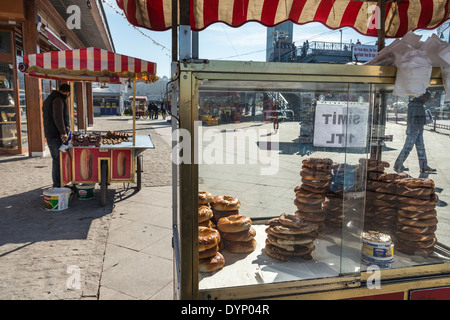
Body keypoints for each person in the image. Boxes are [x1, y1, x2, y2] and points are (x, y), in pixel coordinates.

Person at [394, 91, 436, 174]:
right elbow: (414, 118)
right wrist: (418, 127)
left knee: (420, 148)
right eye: (427, 97)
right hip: (414, 129)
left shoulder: (418, 103)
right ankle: (398, 164)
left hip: (417, 129)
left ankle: (424, 166)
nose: (427, 100)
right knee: (408, 148)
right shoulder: (415, 104)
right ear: (423, 97)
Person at [42, 84, 71, 188]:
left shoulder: (50, 98)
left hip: (51, 134)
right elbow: (58, 117)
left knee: (57, 160)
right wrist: (63, 132)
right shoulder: (58, 99)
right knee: (58, 161)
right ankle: (58, 185)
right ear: (67, 92)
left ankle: (59, 183)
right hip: (55, 135)